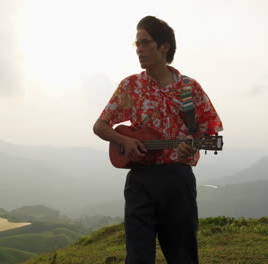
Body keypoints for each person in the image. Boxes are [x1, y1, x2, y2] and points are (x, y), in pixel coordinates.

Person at [93, 16, 223, 264]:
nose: (139, 49)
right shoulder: (130, 86)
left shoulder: (189, 89)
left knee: (182, 257)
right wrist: (125, 140)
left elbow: (210, 131)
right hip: (140, 181)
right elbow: (99, 126)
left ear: (164, 46)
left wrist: (190, 146)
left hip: (178, 181)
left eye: (145, 43)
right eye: (137, 44)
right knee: (137, 258)